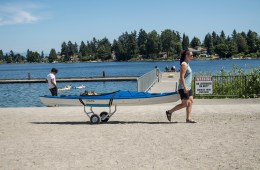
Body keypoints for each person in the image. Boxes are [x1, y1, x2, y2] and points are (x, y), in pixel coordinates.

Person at [165, 50, 196, 123]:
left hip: (188, 87)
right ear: (186, 56)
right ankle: (169, 112)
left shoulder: (187, 64)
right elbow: (181, 77)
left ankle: (188, 118)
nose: (192, 57)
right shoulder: (184, 64)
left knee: (191, 101)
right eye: (191, 55)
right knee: (186, 103)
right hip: (183, 87)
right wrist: (185, 87)